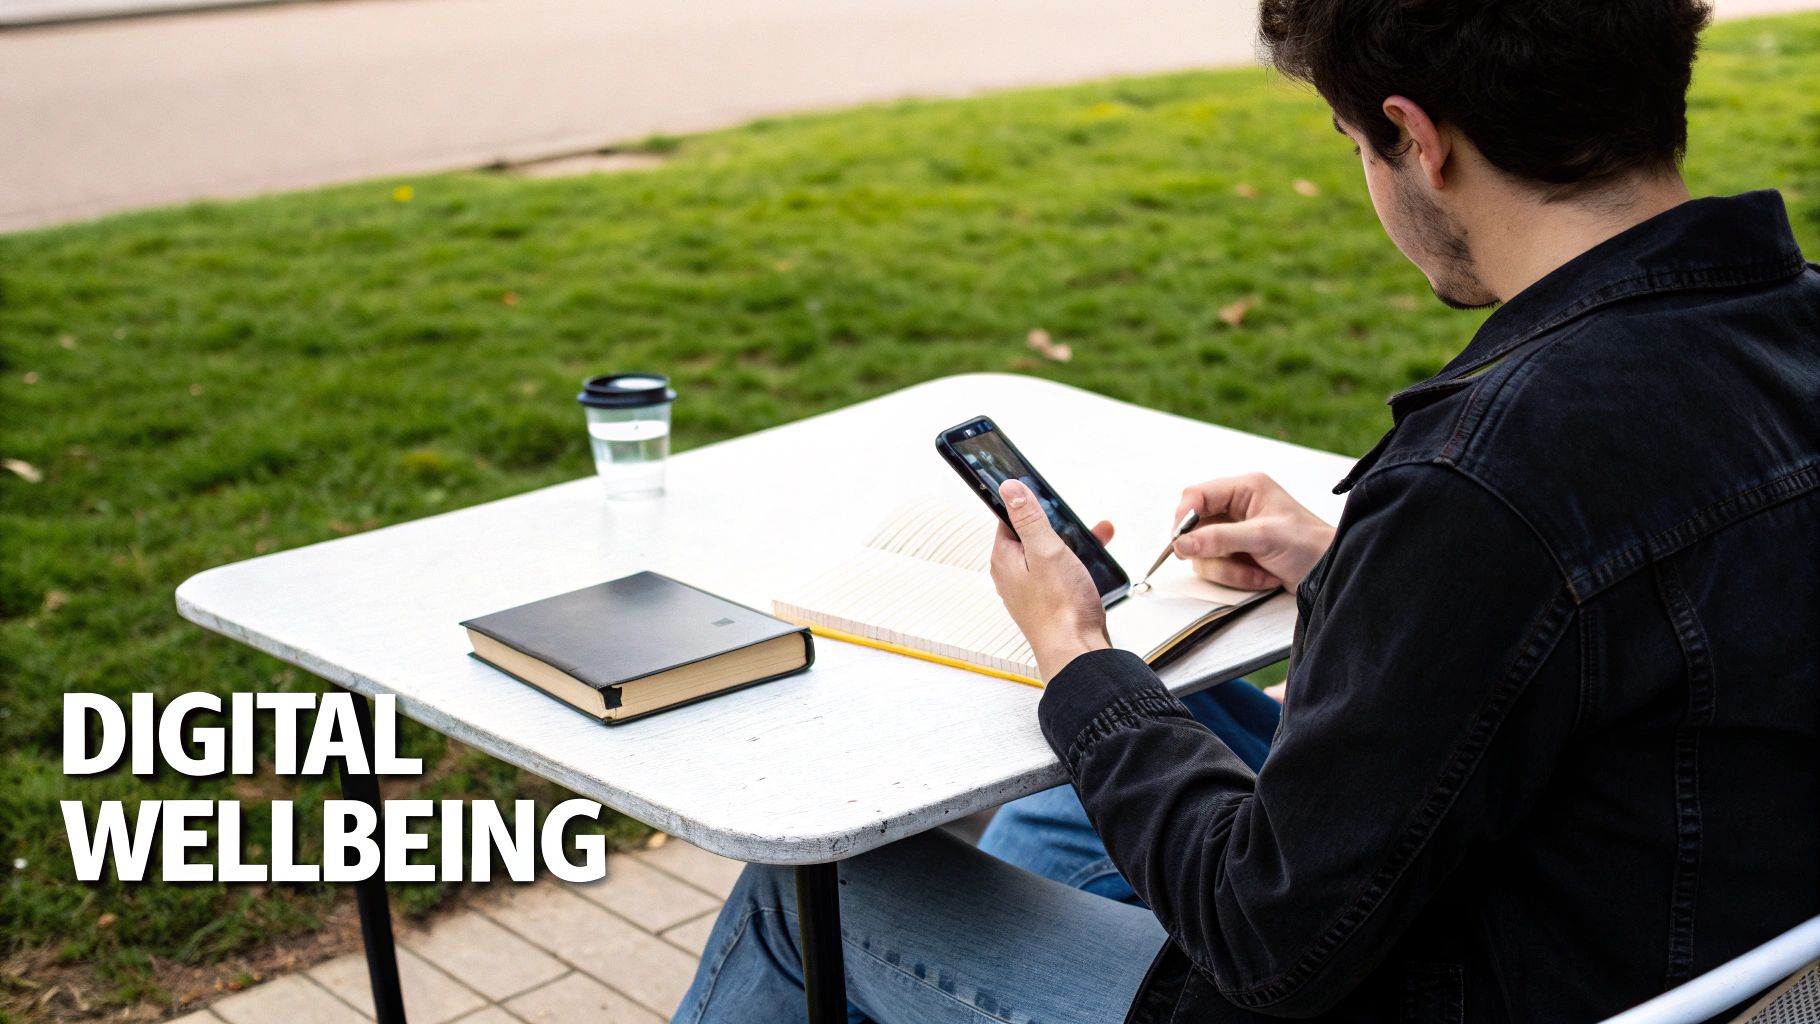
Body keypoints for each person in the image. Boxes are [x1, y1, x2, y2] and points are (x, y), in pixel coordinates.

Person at [673, 0, 1820, 1020]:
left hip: (1445, 974)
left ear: (1418, 140)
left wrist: (1074, 649)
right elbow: (1658, 606)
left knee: (811, 902)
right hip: (1688, 934)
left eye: (1354, 143)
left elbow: (1268, 941)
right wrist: (1348, 567)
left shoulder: (1486, 479)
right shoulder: (1788, 330)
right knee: (1113, 773)